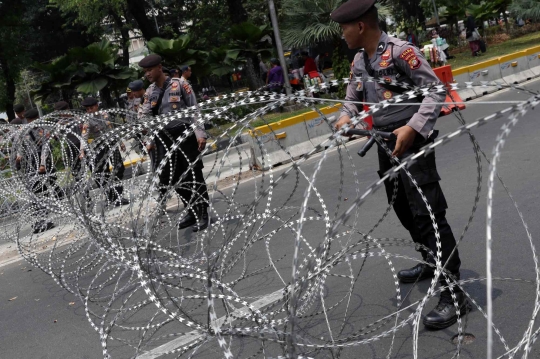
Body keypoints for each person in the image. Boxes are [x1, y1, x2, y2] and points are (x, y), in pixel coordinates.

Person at [331, 0, 467, 330]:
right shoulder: (360, 59)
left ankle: (453, 292)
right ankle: (428, 260)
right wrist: (345, 116)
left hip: (412, 142)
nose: (342, 34)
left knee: (427, 214)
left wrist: (412, 127)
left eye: (344, 27)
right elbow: (353, 95)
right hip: (384, 144)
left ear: (360, 26)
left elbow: (435, 90)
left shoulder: (400, 53)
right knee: (403, 208)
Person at [138, 54, 210, 232]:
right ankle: (191, 209)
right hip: (164, 138)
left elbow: (194, 109)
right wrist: (149, 137)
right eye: (145, 71)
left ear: (159, 67)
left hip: (184, 134)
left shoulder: (180, 84)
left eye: (149, 70)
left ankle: (202, 212)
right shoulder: (150, 92)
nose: (147, 74)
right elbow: (144, 116)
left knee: (194, 174)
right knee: (173, 178)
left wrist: (200, 134)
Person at [14, 108, 60, 233]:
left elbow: (21, 151)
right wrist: (42, 165)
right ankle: (41, 221)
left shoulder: (28, 131)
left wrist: (19, 162)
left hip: (35, 163)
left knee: (37, 192)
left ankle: (40, 220)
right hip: (37, 164)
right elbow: (44, 148)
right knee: (39, 192)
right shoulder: (39, 131)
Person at [79, 97, 129, 207]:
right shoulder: (87, 120)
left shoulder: (105, 114)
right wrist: (82, 151)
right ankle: (112, 196)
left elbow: (112, 129)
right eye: (87, 109)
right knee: (103, 173)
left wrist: (120, 142)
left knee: (119, 168)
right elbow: (84, 136)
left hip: (111, 143)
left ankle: (118, 194)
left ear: (97, 105)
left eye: (91, 108)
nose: (89, 110)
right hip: (100, 147)